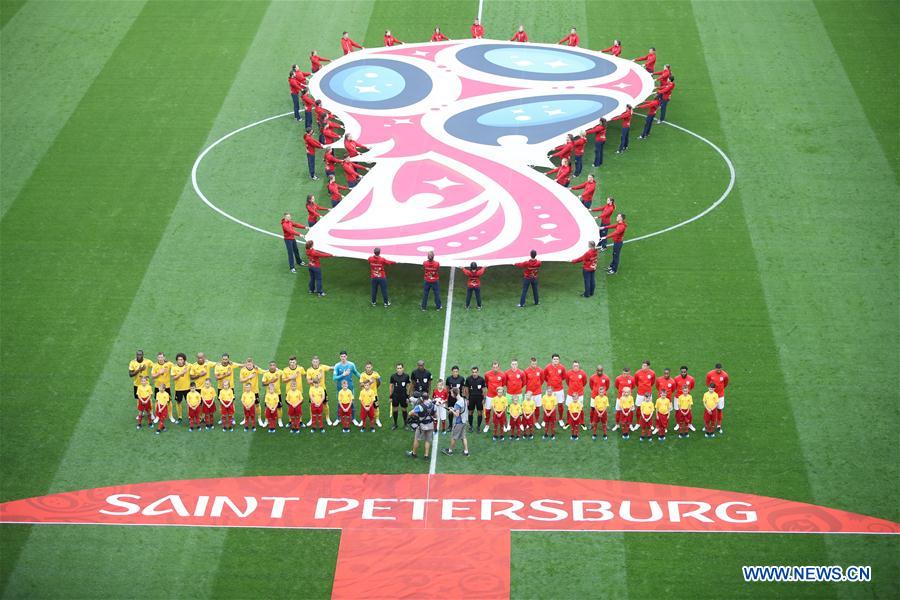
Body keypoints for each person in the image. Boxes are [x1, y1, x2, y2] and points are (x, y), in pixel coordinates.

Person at [441, 389, 470, 456]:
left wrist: (451, 410)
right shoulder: (463, 399)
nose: (451, 395)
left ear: (455, 394)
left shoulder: (457, 403)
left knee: (454, 437)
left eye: (451, 394)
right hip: (464, 421)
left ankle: (450, 451)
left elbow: (457, 414)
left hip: (459, 422)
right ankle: (466, 452)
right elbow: (461, 410)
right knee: (463, 437)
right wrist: (453, 409)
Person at [305, 356, 333, 425]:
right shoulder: (309, 370)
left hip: (322, 389)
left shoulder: (322, 367)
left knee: (325, 404)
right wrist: (317, 378)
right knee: (311, 405)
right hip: (313, 390)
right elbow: (308, 381)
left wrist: (340, 366)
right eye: (314, 362)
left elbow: (331, 368)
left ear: (319, 362)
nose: (315, 363)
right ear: (312, 362)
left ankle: (327, 418)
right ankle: (311, 419)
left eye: (316, 362)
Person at [542, 354, 567, 426]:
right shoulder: (547, 367)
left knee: (560, 404)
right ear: (552, 360)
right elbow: (544, 377)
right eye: (554, 359)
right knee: (547, 404)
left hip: (559, 389)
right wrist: (550, 382)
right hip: (550, 390)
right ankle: (545, 419)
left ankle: (560, 419)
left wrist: (557, 381)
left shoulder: (562, 367)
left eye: (557, 359)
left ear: (559, 360)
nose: (556, 360)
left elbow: (563, 377)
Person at [705, 363, 730, 433]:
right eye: (717, 370)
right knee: (709, 409)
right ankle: (707, 425)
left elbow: (726, 383)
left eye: (720, 370)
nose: (719, 371)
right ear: (715, 368)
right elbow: (707, 383)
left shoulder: (725, 375)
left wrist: (721, 389)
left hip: (720, 395)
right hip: (711, 395)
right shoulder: (710, 374)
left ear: (721, 369)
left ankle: (719, 425)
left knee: (719, 409)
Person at [151, 353, 175, 423]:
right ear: (157, 358)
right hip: (157, 387)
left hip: (166, 387)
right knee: (157, 401)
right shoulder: (155, 366)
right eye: (159, 357)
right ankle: (157, 416)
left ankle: (170, 416)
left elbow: (176, 366)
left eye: (162, 357)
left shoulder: (169, 364)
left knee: (169, 402)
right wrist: (159, 373)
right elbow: (152, 376)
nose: (160, 359)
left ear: (164, 358)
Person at [239, 358, 263, 426]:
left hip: (255, 391)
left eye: (250, 364)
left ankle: (259, 418)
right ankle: (245, 418)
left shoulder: (256, 369)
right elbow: (241, 381)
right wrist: (249, 377)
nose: (249, 365)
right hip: (246, 391)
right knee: (245, 405)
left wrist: (275, 369)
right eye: (248, 364)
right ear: (246, 364)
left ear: (253, 364)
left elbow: (264, 372)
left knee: (257, 404)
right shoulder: (243, 370)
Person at [483, 361, 505, 432]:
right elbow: (486, 383)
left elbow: (503, 384)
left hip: (499, 396)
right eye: (494, 367)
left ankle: (503, 424)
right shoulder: (487, 374)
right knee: (487, 410)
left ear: (499, 367)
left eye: (496, 367)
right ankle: (487, 424)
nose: (495, 369)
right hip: (490, 395)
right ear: (492, 367)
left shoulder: (502, 375)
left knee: (501, 410)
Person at [389, 362, 411, 429]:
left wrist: (407, 396)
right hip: (395, 396)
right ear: (396, 369)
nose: (399, 369)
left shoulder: (406, 376)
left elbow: (408, 386)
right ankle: (395, 424)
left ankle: (405, 424)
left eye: (400, 368)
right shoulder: (393, 376)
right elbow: (391, 386)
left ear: (403, 368)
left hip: (403, 396)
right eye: (398, 368)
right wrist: (390, 396)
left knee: (404, 409)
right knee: (395, 410)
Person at [359, 362, 382, 427]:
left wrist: (376, 387)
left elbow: (380, 381)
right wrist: (369, 382)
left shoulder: (375, 374)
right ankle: (362, 420)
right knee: (363, 408)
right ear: (365, 368)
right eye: (367, 367)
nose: (368, 369)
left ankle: (377, 420)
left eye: (369, 367)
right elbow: (360, 384)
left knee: (376, 407)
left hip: (374, 394)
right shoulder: (362, 375)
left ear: (372, 367)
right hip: (364, 395)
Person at [262, 361, 284, 427]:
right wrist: (270, 381)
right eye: (271, 365)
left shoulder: (279, 372)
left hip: (277, 393)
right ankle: (266, 420)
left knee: (279, 407)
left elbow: (285, 373)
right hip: (268, 394)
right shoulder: (266, 374)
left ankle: (279, 420)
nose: (272, 366)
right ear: (269, 366)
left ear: (276, 366)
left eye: (273, 365)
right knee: (267, 408)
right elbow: (263, 384)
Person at [464, 366, 485, 432]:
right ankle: (471, 426)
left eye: (475, 372)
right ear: (471, 372)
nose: (474, 373)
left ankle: (478, 427)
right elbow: (466, 389)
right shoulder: (468, 379)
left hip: (479, 398)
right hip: (471, 398)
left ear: (478, 372)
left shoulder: (481, 379)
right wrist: (467, 398)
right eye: (473, 372)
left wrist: (483, 399)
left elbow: (484, 389)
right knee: (470, 412)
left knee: (479, 413)